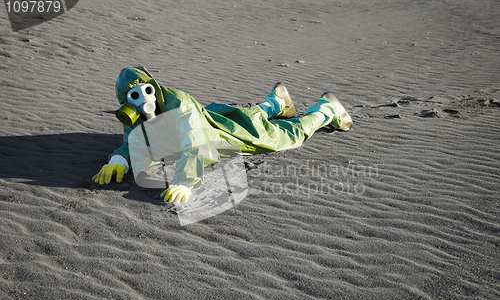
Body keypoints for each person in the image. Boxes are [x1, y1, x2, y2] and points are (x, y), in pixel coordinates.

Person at [92, 66, 353, 203]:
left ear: (154, 87)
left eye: (147, 90)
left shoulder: (177, 103)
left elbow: (194, 141)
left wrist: (185, 181)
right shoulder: (134, 115)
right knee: (247, 117)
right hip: (209, 119)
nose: (144, 99)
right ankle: (276, 102)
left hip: (212, 134)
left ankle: (325, 110)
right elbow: (134, 141)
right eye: (134, 96)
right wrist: (119, 161)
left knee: (277, 137)